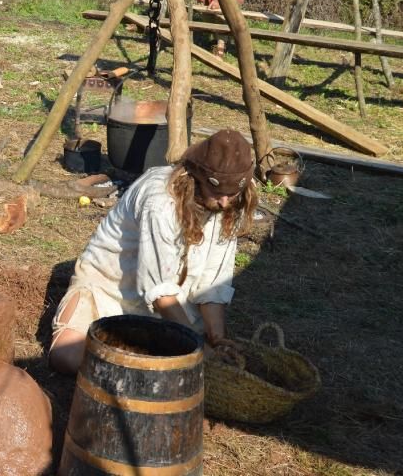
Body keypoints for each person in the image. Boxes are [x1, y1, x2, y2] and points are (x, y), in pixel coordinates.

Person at [49, 129, 257, 375]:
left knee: (192, 367)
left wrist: (218, 340)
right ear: (196, 178)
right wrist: (200, 349)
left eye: (231, 194)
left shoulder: (232, 201)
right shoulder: (160, 201)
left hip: (176, 305)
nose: (224, 202)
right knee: (68, 356)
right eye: (217, 193)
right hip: (110, 290)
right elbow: (160, 292)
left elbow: (211, 284)